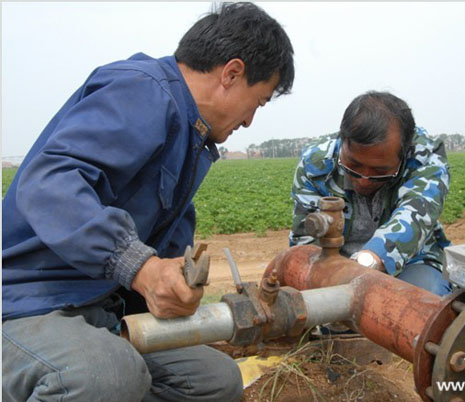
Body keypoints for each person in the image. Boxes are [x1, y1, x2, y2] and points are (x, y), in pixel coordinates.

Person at [2, 3, 294, 401]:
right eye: (257, 103)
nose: (249, 123)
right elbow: (49, 182)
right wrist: (138, 265)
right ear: (232, 73)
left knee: (214, 381)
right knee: (107, 376)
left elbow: (165, 247)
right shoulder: (143, 91)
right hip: (27, 301)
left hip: (101, 307)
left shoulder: (191, 138)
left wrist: (172, 284)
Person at [290, 91, 452, 297]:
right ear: (343, 141)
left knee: (422, 306)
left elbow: (414, 217)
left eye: (380, 172)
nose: (363, 180)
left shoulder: (425, 156)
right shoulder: (316, 162)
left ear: (403, 154)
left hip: (411, 261)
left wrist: (362, 267)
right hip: (335, 265)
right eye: (354, 166)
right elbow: (306, 241)